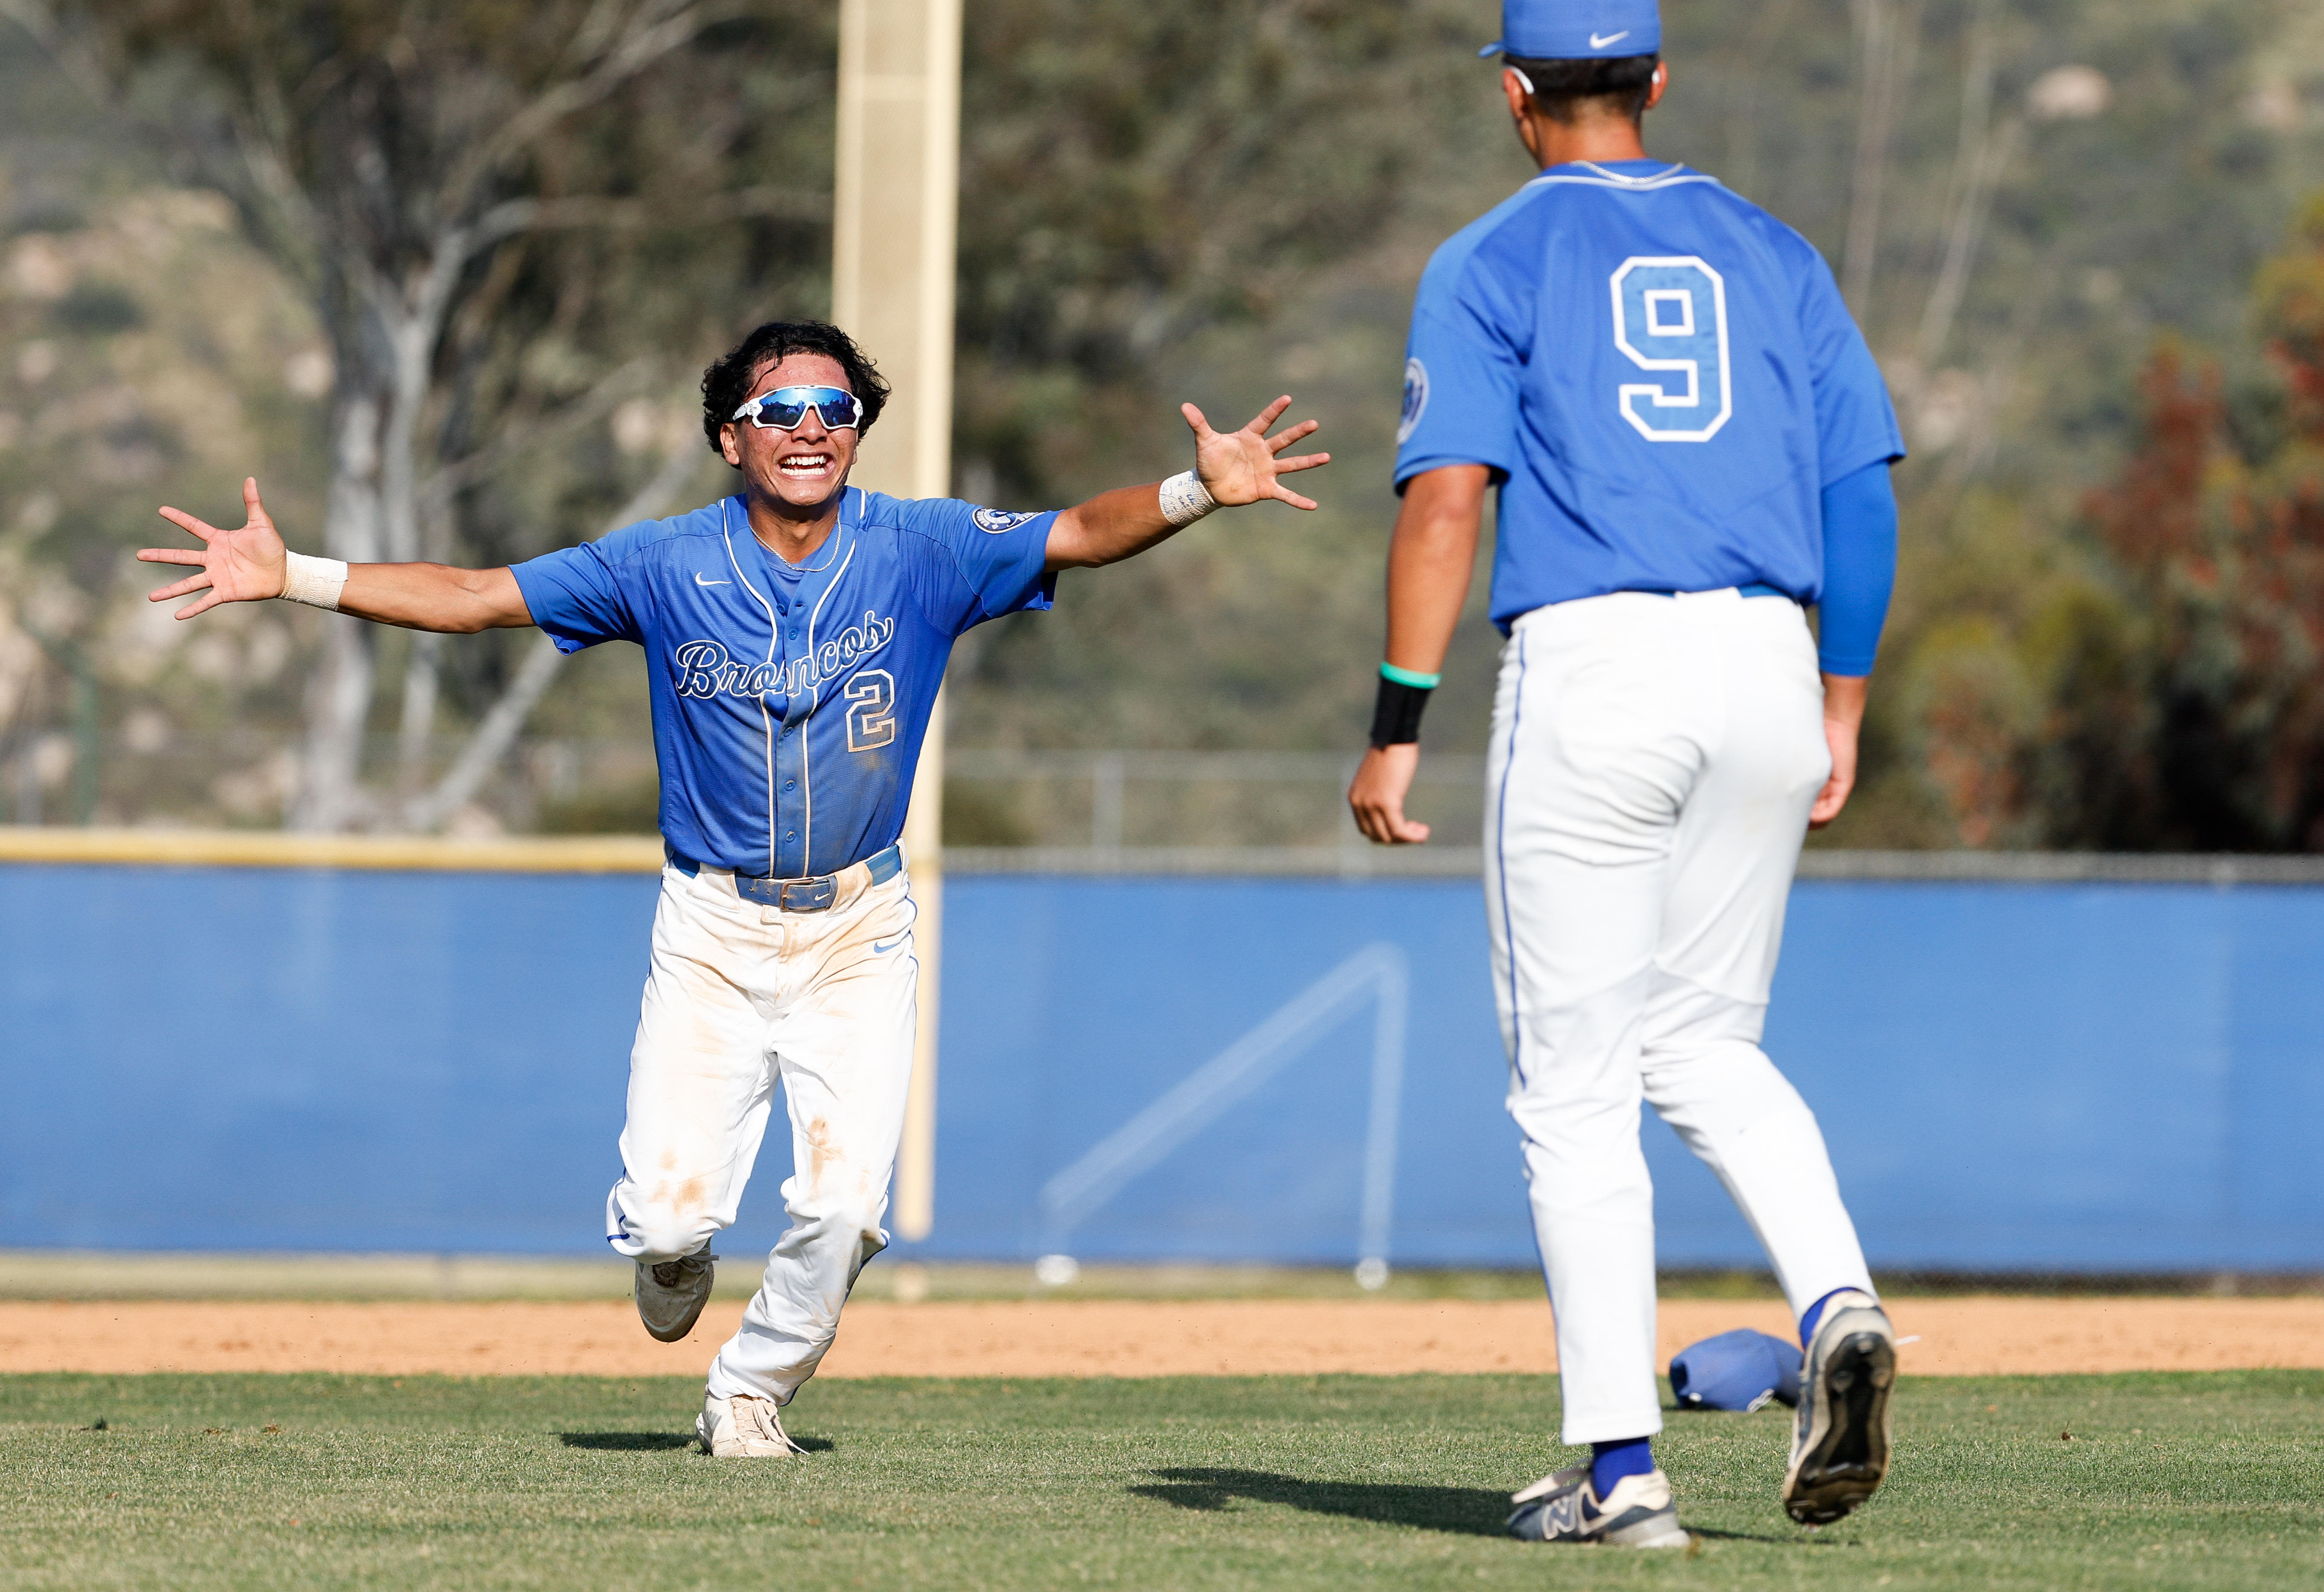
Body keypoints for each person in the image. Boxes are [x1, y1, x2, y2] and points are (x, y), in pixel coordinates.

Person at [143, 319, 1327, 1457]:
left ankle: (750, 1389)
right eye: (780, 410)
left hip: (858, 924)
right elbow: (471, 594)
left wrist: (1192, 493)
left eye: (835, 408)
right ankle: (672, 1255)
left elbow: (1074, 530)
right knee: (665, 1219)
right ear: (731, 437)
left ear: (857, 429)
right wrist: (291, 572)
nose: (809, 428)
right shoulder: (661, 562)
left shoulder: (923, 547)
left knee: (844, 1205)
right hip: (712, 924)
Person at [1345, 0, 1905, 1546]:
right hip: (1765, 660)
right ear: (1655, 81)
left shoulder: (1492, 256)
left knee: (1572, 1088)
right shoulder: (1776, 249)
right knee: (1708, 1043)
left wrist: (1398, 716)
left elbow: (1447, 497)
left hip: (1599, 665)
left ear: (1517, 95)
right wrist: (1839, 702)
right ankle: (1837, 1299)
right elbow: (1858, 493)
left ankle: (1620, 1472)